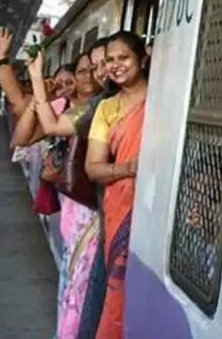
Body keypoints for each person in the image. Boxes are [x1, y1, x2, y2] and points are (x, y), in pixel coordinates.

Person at [85, 31, 149, 339]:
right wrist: (127, 168)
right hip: (121, 207)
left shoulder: (166, 96)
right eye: (110, 60)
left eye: (123, 57)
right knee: (118, 290)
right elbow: (93, 168)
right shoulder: (106, 109)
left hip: (158, 204)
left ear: (143, 57)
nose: (115, 65)